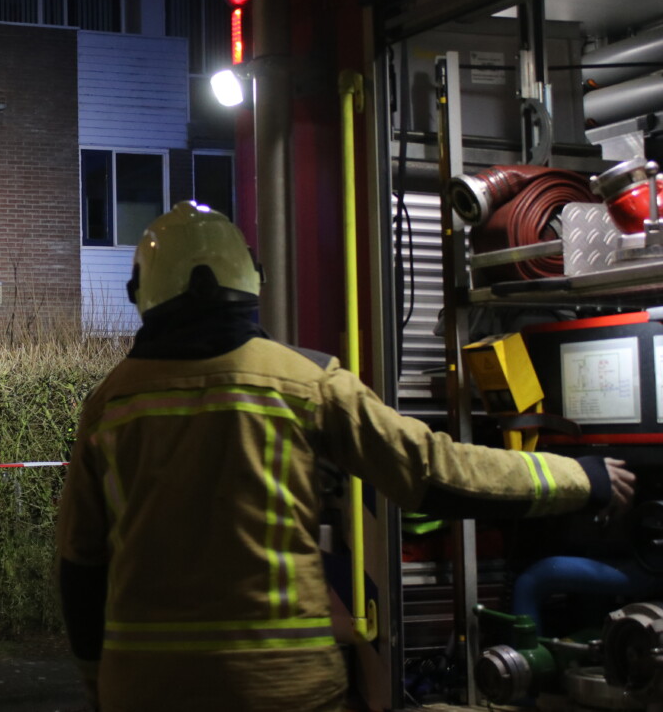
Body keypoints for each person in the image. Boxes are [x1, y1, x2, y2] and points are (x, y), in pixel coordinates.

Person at [55, 201, 636, 712]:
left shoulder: (109, 405)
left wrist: (97, 683)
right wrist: (578, 477)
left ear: (143, 292)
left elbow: (80, 569)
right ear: (250, 280)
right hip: (281, 688)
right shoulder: (307, 383)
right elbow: (433, 470)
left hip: (144, 690)